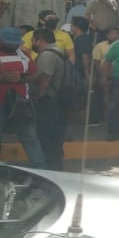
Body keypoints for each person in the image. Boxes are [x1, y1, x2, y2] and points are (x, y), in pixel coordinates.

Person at [0, 26, 46, 167]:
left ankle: (40, 170)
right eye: (9, 42)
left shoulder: (24, 55)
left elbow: (35, 74)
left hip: (21, 103)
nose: (13, 45)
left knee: (30, 138)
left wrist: (23, 78)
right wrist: (3, 77)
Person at [30, 28, 69, 170]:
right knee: (56, 139)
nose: (32, 43)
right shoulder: (59, 51)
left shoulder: (47, 55)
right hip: (59, 102)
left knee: (46, 138)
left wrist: (35, 97)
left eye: (33, 40)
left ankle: (50, 170)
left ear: (39, 40)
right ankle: (56, 167)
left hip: (49, 103)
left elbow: (44, 79)